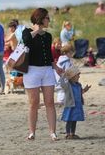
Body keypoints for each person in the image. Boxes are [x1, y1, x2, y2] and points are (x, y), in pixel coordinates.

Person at [22, 8, 64, 141]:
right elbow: (26, 41)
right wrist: (37, 31)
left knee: (50, 102)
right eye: (47, 18)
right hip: (31, 70)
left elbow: (49, 56)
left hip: (47, 70)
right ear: (40, 18)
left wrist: (56, 67)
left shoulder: (48, 36)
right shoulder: (27, 32)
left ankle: (53, 132)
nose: (49, 20)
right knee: (34, 103)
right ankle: (32, 132)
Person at [60, 66, 91, 139]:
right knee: (69, 120)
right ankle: (68, 134)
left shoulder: (78, 85)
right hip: (70, 106)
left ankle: (73, 133)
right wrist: (64, 75)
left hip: (77, 106)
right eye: (77, 75)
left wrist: (85, 90)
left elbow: (80, 92)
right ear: (72, 76)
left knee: (74, 120)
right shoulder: (68, 85)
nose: (79, 77)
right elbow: (62, 83)